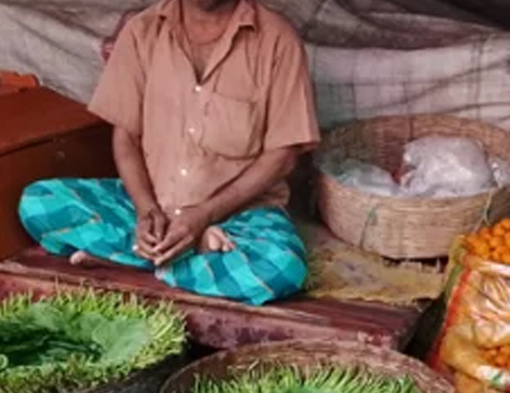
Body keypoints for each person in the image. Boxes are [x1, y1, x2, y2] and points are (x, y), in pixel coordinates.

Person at [19, 0, 319, 306]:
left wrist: (204, 216)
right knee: (38, 201)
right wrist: (146, 212)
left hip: (239, 217)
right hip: (152, 206)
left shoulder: (277, 40)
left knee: (283, 267)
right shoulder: (142, 31)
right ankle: (187, 256)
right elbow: (126, 137)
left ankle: (131, 260)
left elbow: (282, 157)